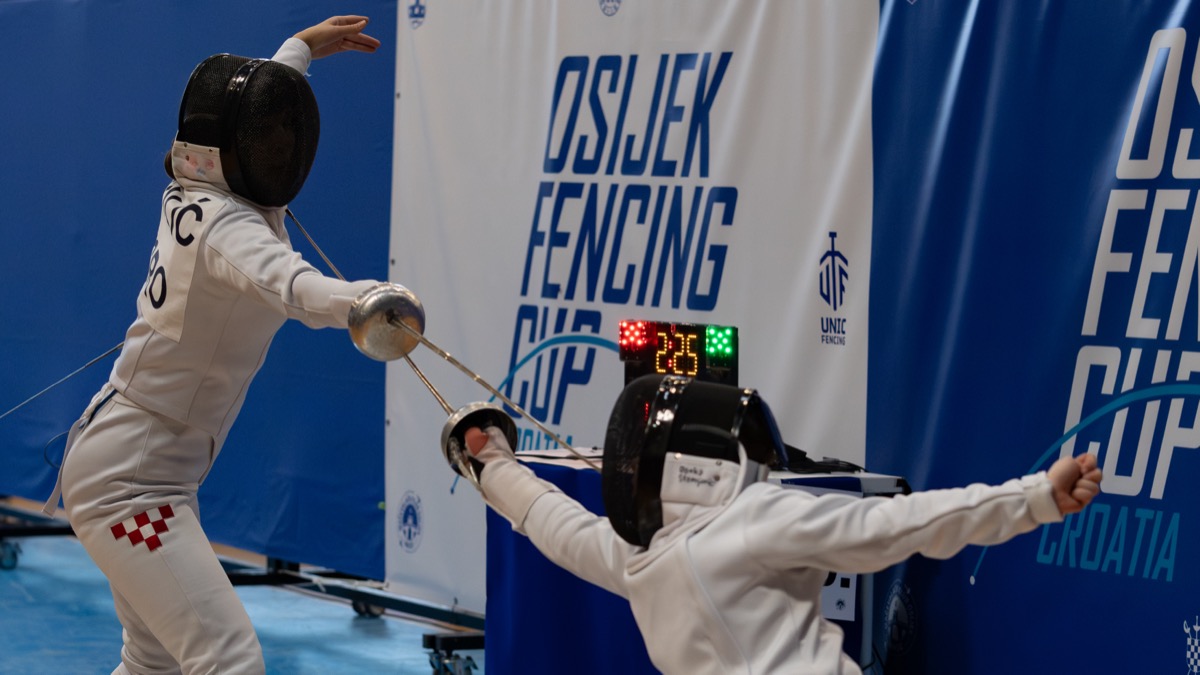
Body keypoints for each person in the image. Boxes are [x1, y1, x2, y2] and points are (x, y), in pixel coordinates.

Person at [42, 16, 405, 675]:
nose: (281, 142)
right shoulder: (227, 229)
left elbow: (244, 114)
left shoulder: (199, 187)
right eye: (270, 134)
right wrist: (368, 301)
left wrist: (298, 50)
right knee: (229, 659)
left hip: (133, 463)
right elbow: (294, 286)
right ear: (238, 150)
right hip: (132, 487)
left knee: (152, 661)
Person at [460, 373, 1103, 675]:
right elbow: (906, 523)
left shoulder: (636, 556)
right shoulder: (753, 519)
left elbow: (552, 520)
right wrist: (1033, 498)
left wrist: (489, 464)